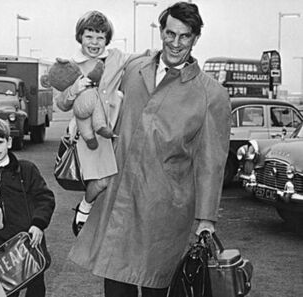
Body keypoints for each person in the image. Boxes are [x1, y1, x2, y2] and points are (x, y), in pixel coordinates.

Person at [68, 2, 231, 297]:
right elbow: (95, 93)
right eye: (170, 34)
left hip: (165, 212)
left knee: (157, 288)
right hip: (119, 202)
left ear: (195, 38)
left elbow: (211, 162)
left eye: (184, 36)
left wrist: (206, 218)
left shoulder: (211, 94)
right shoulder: (133, 69)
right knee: (117, 285)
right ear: (161, 31)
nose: (175, 43)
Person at [55, 10, 141, 236]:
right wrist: (76, 88)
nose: (94, 43)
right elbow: (61, 103)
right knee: (103, 181)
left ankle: (99, 221)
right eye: (89, 36)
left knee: (113, 181)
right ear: (80, 37)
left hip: (113, 130)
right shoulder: (73, 65)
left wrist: (159, 52)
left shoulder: (116, 58)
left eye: (100, 37)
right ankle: (84, 209)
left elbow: (142, 58)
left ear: (107, 39)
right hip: (87, 135)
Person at [0, 117, 55, 297]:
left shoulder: (26, 169)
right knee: (3, 291)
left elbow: (45, 198)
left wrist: (38, 223)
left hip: (28, 241)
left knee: (35, 289)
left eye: (0, 142)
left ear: (9, 142)